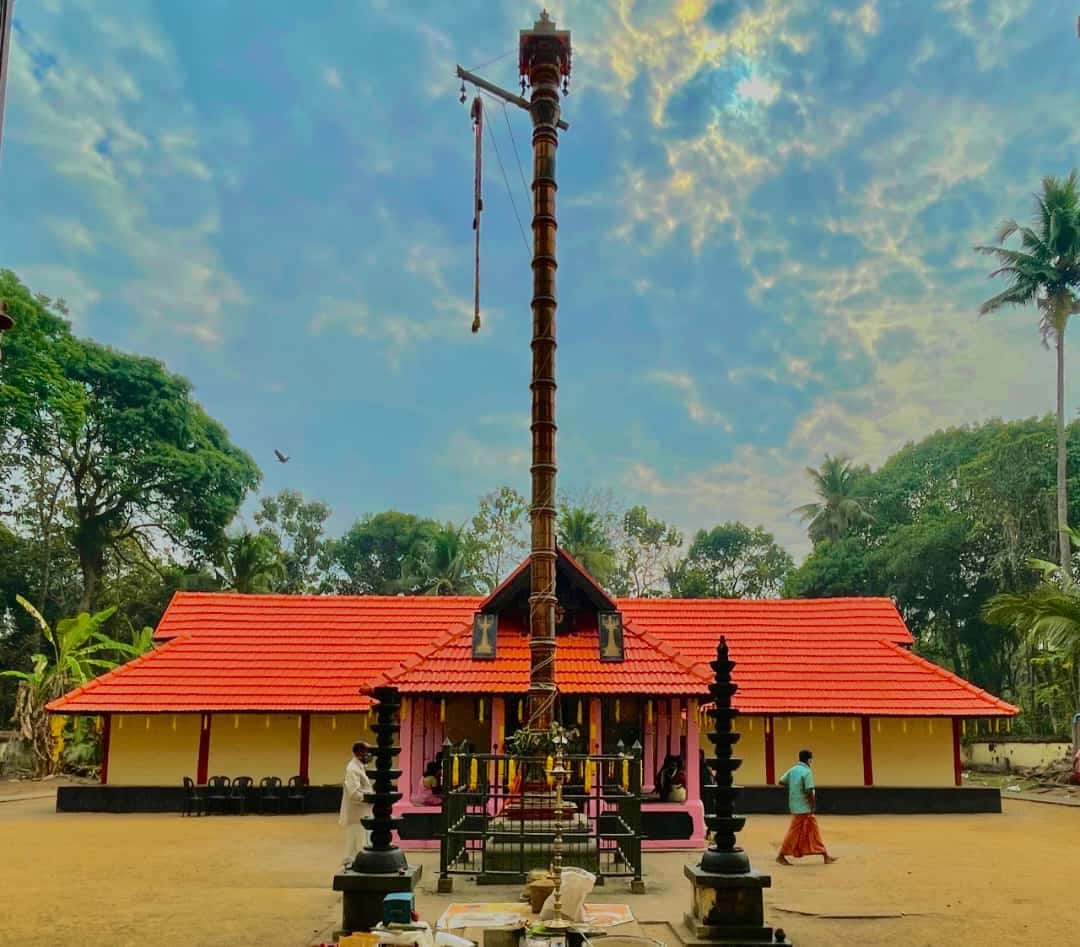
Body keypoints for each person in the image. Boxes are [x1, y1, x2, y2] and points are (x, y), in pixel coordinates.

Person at [776, 749, 837, 866]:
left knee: (813, 829)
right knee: (795, 831)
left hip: (794, 804)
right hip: (804, 807)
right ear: (809, 760)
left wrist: (794, 786)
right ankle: (781, 855)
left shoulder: (793, 770)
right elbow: (809, 790)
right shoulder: (807, 772)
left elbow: (781, 781)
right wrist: (813, 805)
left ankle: (825, 855)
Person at [339, 740, 374, 865]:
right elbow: (353, 793)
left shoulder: (360, 767)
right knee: (357, 844)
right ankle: (354, 866)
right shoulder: (352, 769)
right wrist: (369, 798)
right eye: (367, 752)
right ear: (359, 753)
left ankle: (355, 864)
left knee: (359, 843)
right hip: (356, 814)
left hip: (363, 812)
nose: (369, 756)